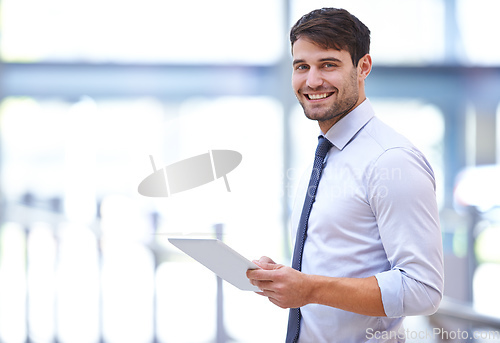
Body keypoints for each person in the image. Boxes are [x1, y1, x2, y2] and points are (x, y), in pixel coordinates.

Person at [246, 7, 444, 343]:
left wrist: (311, 288)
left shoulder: (390, 160)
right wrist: (288, 279)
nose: (312, 81)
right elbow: (341, 259)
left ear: (363, 67)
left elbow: (423, 288)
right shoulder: (328, 152)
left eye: (328, 64)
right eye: (301, 67)